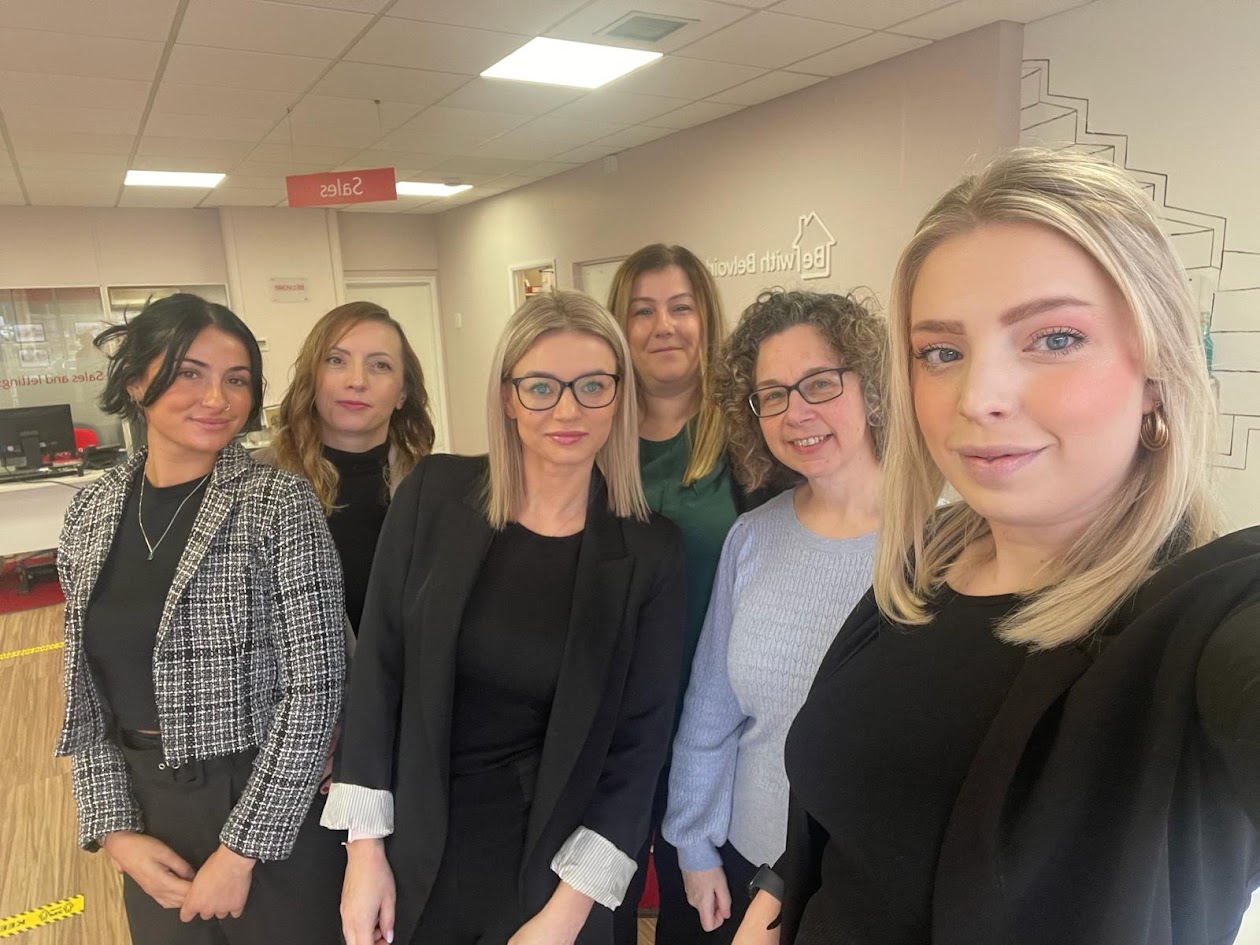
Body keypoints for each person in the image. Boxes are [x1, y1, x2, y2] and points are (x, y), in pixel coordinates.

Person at [733, 148, 1260, 945]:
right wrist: (780, 891)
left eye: (1054, 338)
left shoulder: (1202, 619)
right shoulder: (930, 564)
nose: (978, 398)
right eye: (942, 352)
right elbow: (866, 801)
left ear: (1157, 367)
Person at [322, 289, 687, 945]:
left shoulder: (649, 550)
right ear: (508, 397)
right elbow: (379, 670)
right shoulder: (433, 494)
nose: (568, 410)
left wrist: (563, 917)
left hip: (554, 872)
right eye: (542, 387)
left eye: (593, 386)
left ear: (619, 396)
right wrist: (364, 850)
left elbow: (638, 751)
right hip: (414, 849)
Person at [55, 293, 347, 945]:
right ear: (137, 382)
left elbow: (317, 689)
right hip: (145, 806)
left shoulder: (278, 502)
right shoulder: (92, 510)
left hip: (266, 797)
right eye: (189, 372)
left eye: (236, 379)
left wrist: (241, 851)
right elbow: (86, 691)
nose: (217, 397)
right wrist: (116, 829)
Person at [662, 290, 886, 944]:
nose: (797, 412)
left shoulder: (943, 541)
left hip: (867, 878)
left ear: (871, 387)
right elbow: (711, 710)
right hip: (744, 858)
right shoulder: (752, 537)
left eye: (820, 383)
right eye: (773, 395)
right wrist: (694, 845)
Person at [606, 244, 769, 945]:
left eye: (681, 307)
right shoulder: (593, 432)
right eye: (642, 311)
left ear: (707, 318)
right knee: (596, 909)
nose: (663, 326)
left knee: (699, 918)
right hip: (611, 725)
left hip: (714, 730)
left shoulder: (748, 435)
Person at [265, 300, 435, 635]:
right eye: (336, 360)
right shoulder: (257, 484)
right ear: (312, 378)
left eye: (380, 365)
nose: (357, 381)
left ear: (402, 393)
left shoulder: (433, 489)